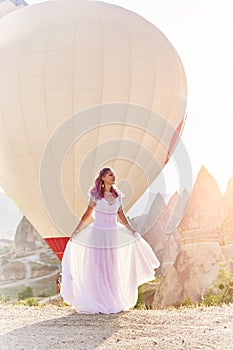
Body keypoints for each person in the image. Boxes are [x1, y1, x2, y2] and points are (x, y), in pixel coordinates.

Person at [60, 167, 160, 314]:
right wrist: (77, 230)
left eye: (113, 174)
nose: (114, 177)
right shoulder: (95, 195)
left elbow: (121, 215)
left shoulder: (118, 195)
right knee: (98, 266)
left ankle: (112, 298)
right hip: (98, 233)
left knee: (112, 266)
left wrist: (131, 230)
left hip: (113, 234)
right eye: (110, 175)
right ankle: (97, 299)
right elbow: (87, 214)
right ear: (103, 178)